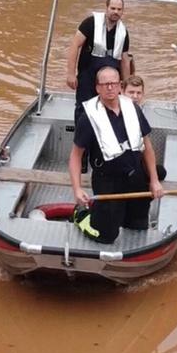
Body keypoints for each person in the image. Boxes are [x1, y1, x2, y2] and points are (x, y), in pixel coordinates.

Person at [69, 66, 165, 244]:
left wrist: (154, 180)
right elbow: (75, 156)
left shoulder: (133, 109)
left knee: (137, 226)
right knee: (105, 236)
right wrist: (77, 188)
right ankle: (81, 215)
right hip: (108, 180)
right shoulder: (88, 117)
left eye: (113, 83)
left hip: (134, 174)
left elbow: (148, 146)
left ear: (120, 85)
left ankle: (128, 213)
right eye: (105, 84)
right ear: (97, 88)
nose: (110, 88)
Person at [64, 0, 132, 110]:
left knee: (110, 110)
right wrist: (71, 74)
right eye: (113, 8)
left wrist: (126, 85)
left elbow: (125, 60)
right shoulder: (90, 23)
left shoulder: (123, 32)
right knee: (84, 109)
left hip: (111, 80)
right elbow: (74, 45)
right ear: (106, 8)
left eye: (119, 9)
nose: (116, 12)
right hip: (87, 76)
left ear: (122, 12)